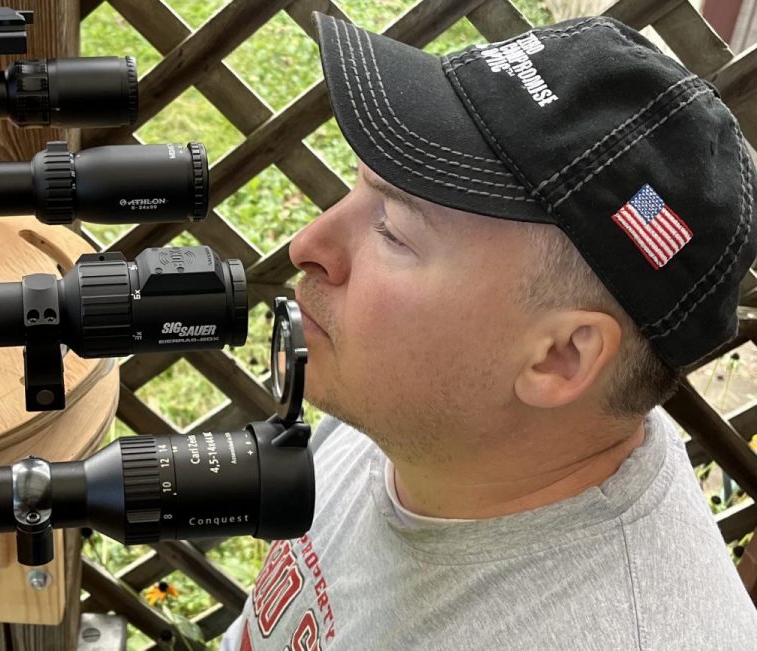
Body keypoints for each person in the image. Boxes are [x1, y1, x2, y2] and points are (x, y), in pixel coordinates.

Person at [222, 14, 757, 650]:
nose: (308, 244)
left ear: (561, 357)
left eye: (393, 230)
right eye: (361, 186)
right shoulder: (439, 418)